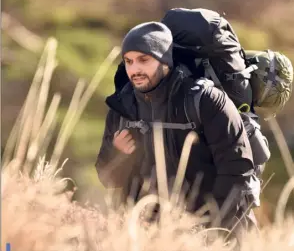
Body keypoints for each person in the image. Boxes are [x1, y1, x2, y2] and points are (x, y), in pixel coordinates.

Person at [95, 21, 260, 235]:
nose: (135, 69)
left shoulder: (205, 100)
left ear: (164, 61)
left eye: (144, 60)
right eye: (129, 61)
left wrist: (210, 229)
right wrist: (117, 154)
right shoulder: (123, 107)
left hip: (218, 231)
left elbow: (237, 171)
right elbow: (107, 178)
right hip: (155, 236)